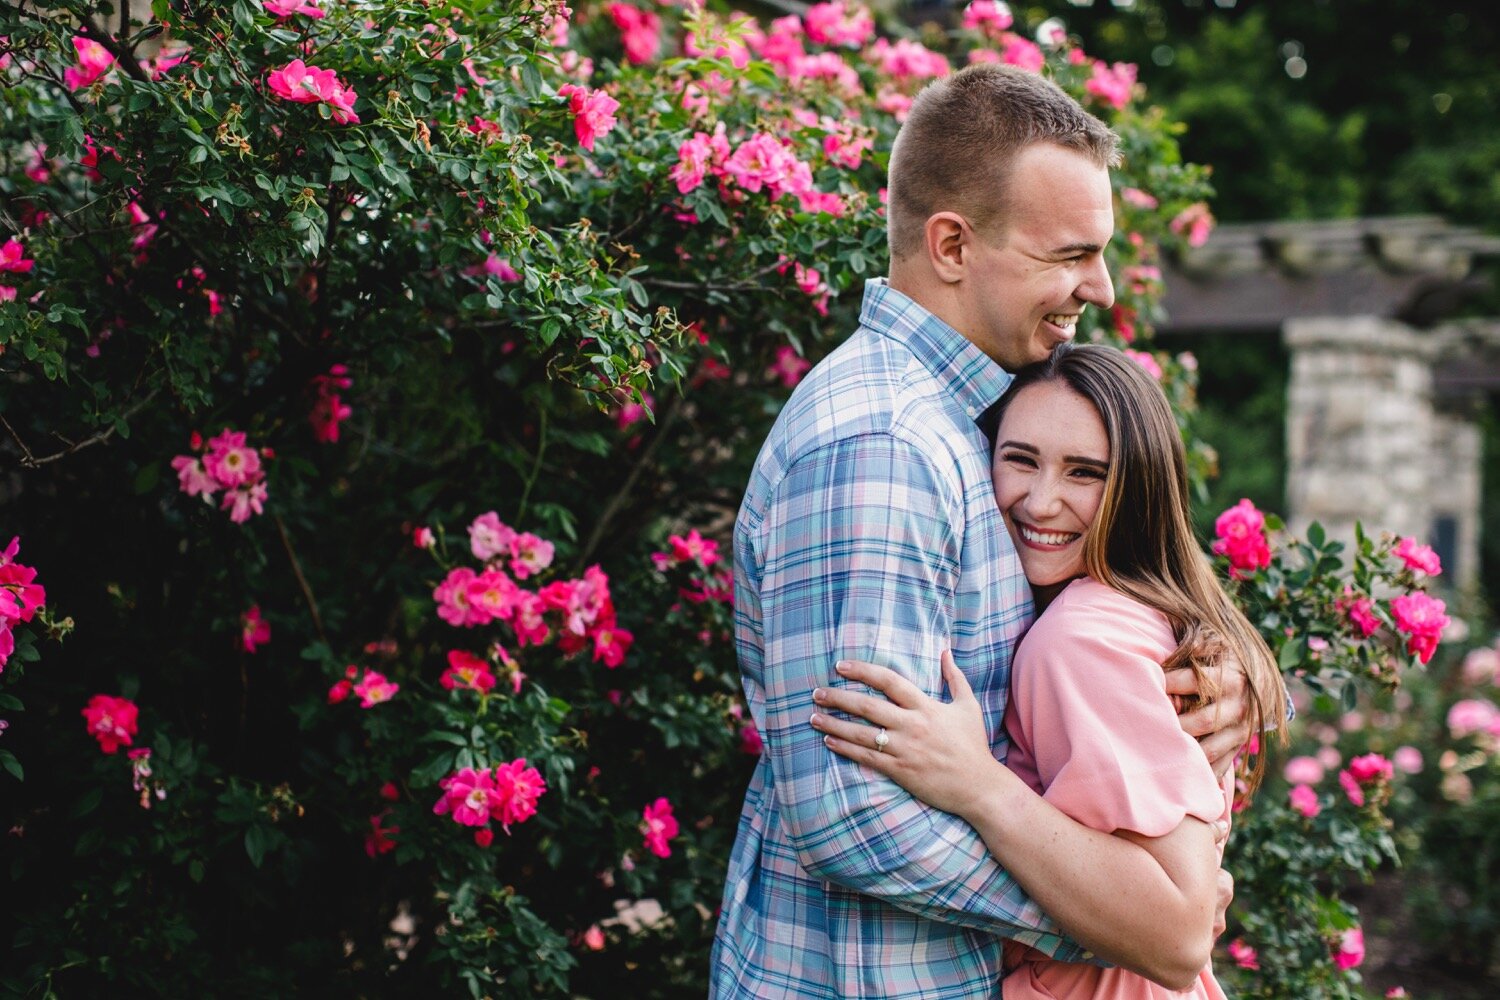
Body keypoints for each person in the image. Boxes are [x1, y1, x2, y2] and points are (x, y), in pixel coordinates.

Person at [709, 64, 1252, 999]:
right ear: (953, 245)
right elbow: (857, 817)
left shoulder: (977, 421)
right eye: (1070, 254)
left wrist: (1206, 675)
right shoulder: (884, 444)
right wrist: (1134, 913)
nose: (1102, 285)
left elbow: (1085, 633)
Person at [810, 344, 1288, 997]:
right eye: (1021, 460)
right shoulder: (1128, 609)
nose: (1040, 501)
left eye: (1084, 473)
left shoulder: (1079, 640)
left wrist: (978, 787)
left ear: (1136, 490)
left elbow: (1177, 936)